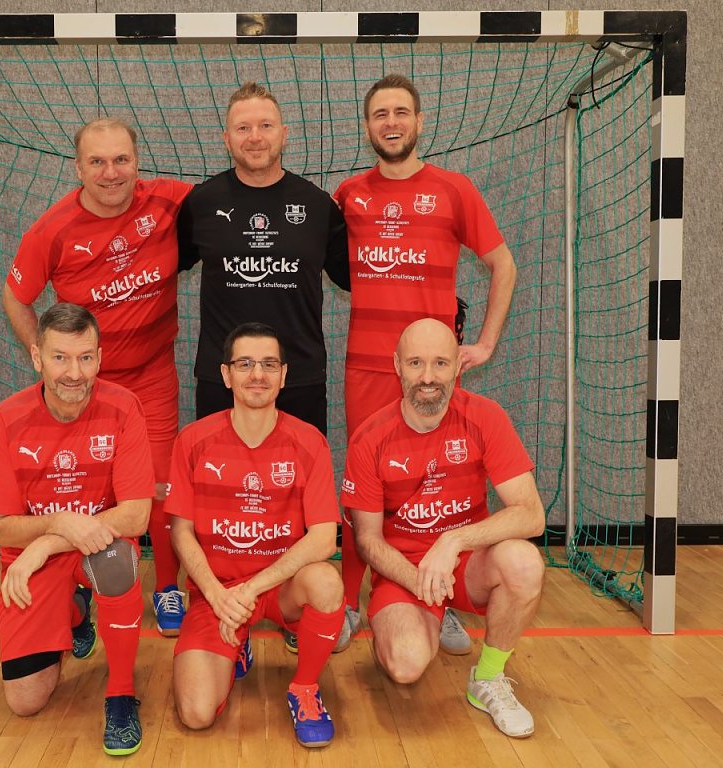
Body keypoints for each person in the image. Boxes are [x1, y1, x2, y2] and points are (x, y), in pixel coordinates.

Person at [333, 74, 519, 651]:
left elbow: (504, 265)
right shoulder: (348, 195)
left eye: (401, 112)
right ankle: (349, 602)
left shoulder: (453, 189)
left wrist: (484, 343)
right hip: (369, 366)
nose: (391, 123)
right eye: (380, 114)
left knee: (439, 483)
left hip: (433, 370)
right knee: (365, 491)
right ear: (367, 127)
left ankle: (441, 597)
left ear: (419, 121)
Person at [3, 118, 192, 637]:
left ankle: (167, 587)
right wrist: (51, 363)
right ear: (78, 168)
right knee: (86, 490)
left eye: (121, 160)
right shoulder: (51, 230)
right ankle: (80, 588)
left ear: (138, 162)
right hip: (85, 386)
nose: (111, 173)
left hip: (152, 375)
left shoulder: (169, 202)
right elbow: (15, 297)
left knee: (158, 488)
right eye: (98, 162)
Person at [341, 318, 545, 738]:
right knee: (405, 666)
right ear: (397, 365)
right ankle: (417, 620)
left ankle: (487, 678)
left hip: (467, 563)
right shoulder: (370, 438)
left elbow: (531, 514)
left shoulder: (485, 416)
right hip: (404, 571)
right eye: (416, 363)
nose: (428, 377)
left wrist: (454, 540)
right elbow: (367, 541)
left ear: (457, 366)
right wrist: (421, 581)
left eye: (440, 363)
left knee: (525, 563)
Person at [0, 304, 154, 755]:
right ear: (37, 357)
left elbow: (136, 516)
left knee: (116, 564)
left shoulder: (123, 407)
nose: (74, 373)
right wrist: (57, 523)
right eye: (60, 358)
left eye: (85, 357)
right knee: (25, 701)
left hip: (99, 547)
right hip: (36, 559)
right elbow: (1, 528)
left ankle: (121, 695)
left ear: (99, 357)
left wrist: (51, 539)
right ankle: (74, 612)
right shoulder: (7, 418)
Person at [165, 323, 346, 748]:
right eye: (245, 364)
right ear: (226, 374)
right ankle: (235, 644)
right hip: (219, 592)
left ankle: (304, 688)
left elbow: (324, 539)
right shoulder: (192, 441)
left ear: (284, 375)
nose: (258, 375)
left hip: (280, 588)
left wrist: (251, 590)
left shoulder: (310, 443)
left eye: (269, 364)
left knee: (325, 581)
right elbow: (181, 531)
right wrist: (218, 596)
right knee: (195, 713)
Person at [177, 81, 349, 435]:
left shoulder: (318, 206)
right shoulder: (201, 203)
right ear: (227, 139)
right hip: (224, 380)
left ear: (284, 134)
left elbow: (357, 277)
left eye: (265, 126)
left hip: (297, 379)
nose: (255, 137)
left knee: (302, 471)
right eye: (243, 128)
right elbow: (160, 267)